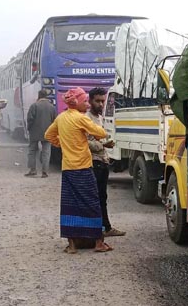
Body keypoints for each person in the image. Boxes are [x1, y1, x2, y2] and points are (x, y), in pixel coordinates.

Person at [44, 87, 112, 254]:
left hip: (68, 169)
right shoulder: (80, 119)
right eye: (85, 102)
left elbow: (48, 135)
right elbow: (101, 133)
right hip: (83, 168)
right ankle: (98, 242)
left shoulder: (61, 118)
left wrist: (63, 144)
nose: (87, 105)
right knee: (93, 204)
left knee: (70, 206)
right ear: (77, 103)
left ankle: (72, 245)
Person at [87, 87, 125, 237]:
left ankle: (106, 227)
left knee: (103, 196)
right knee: (96, 197)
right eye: (97, 101)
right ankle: (98, 230)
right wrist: (104, 145)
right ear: (90, 101)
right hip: (93, 162)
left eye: (103, 101)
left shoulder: (100, 118)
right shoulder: (86, 119)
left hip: (103, 161)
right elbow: (85, 142)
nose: (101, 104)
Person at [25, 90, 56, 178]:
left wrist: (29, 128)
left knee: (32, 150)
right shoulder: (51, 107)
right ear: (46, 96)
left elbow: (30, 119)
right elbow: (55, 121)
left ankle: (33, 170)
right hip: (48, 132)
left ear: (39, 96)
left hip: (34, 132)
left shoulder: (34, 105)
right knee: (46, 152)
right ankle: (45, 172)